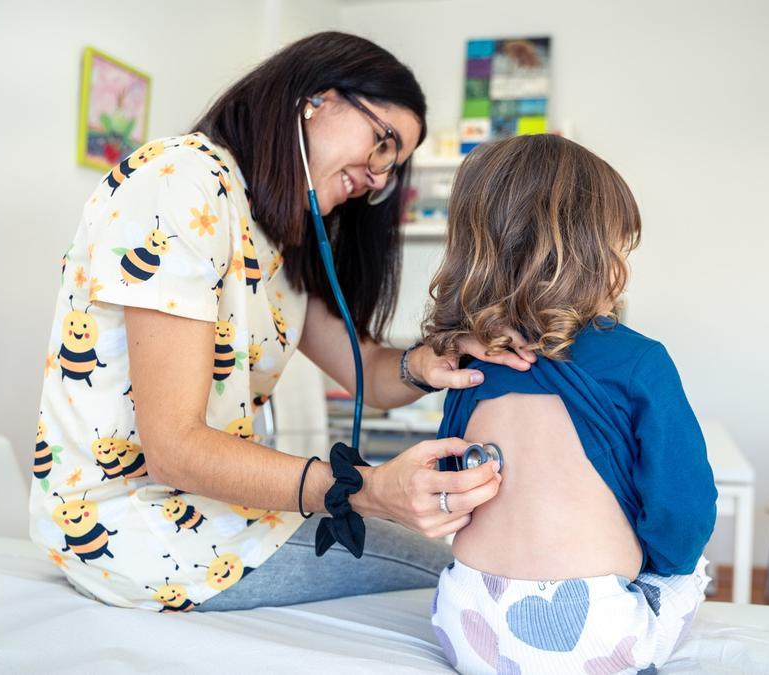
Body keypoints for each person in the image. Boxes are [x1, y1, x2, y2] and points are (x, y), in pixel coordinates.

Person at [29, 32, 536, 612]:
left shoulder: (272, 232)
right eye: (382, 142)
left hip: (214, 512)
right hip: (136, 529)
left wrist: (434, 360)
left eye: (391, 168)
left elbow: (368, 368)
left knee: (448, 562)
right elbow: (173, 449)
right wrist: (364, 491)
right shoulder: (178, 181)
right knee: (452, 570)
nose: (377, 177)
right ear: (314, 98)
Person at [422, 134, 717, 672]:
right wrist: (656, 565)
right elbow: (683, 510)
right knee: (691, 570)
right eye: (619, 246)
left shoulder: (471, 361)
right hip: (591, 634)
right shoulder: (639, 360)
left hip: (464, 619)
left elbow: (451, 477)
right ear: (590, 253)